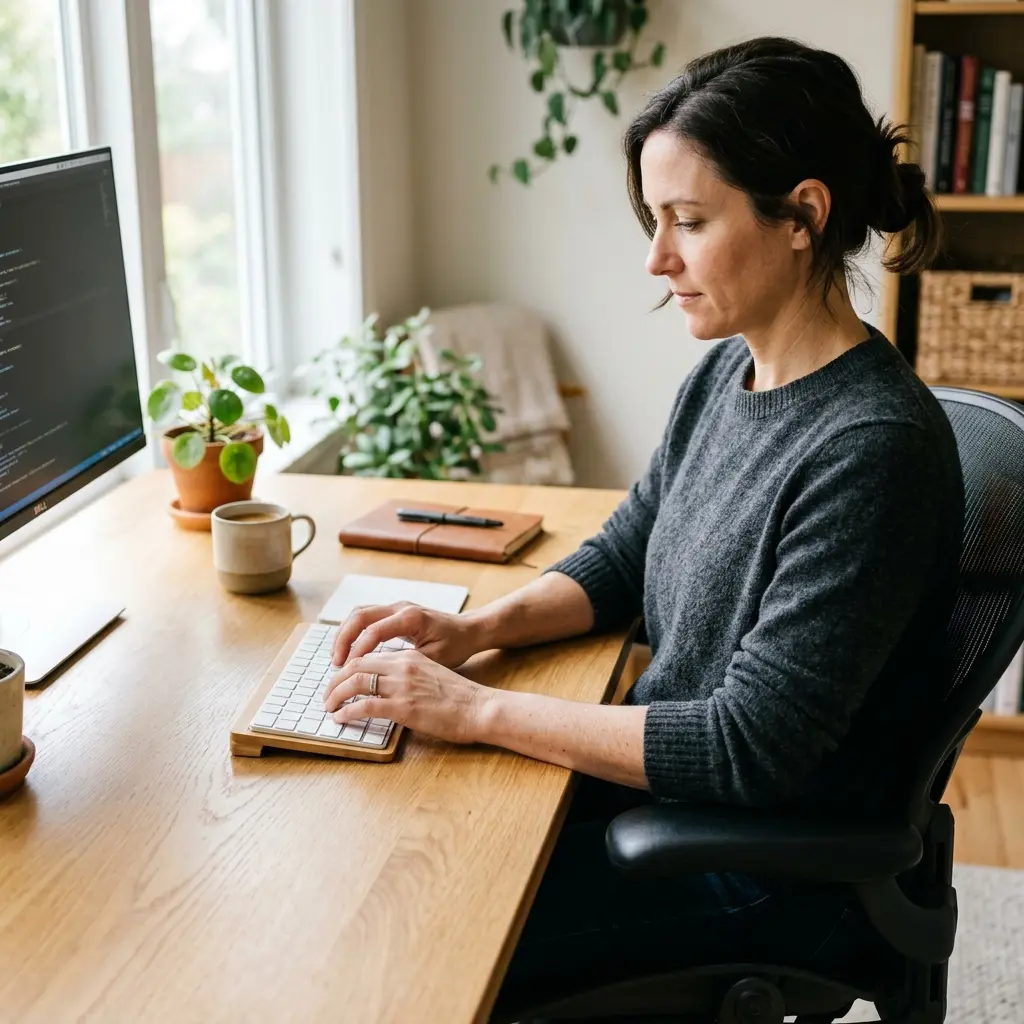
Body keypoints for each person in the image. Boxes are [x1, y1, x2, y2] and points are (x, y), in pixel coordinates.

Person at [324, 37, 965, 1000]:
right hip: (673, 800)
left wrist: (483, 709)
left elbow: (748, 745)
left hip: (764, 868)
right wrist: (474, 631)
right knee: (390, 840)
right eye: (655, 219)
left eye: (689, 221)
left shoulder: (872, 449)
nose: (657, 257)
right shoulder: (728, 368)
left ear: (803, 215)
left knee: (420, 937)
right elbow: (629, 551)